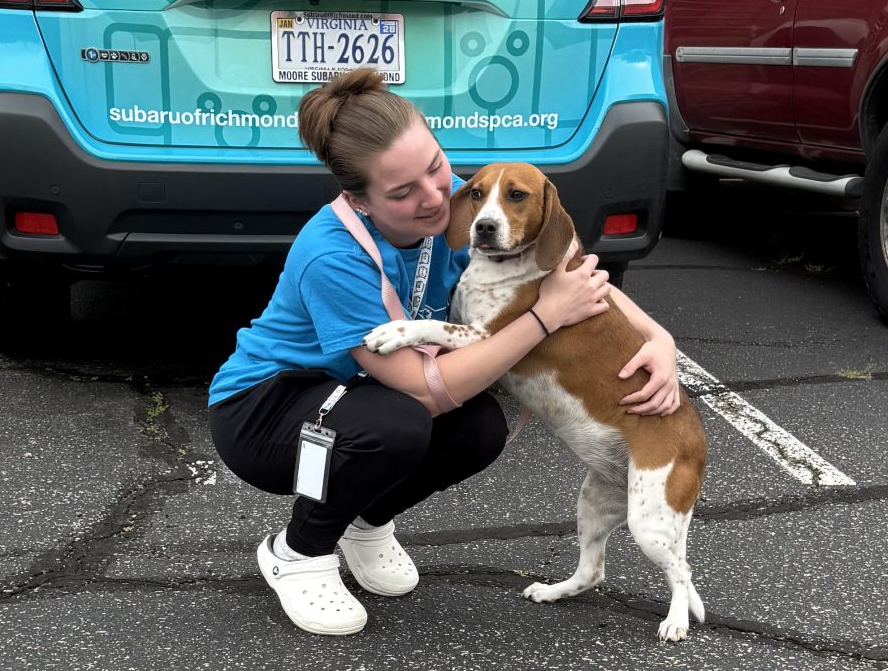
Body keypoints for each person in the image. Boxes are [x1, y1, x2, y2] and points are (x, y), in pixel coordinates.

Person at [207, 67, 683, 636]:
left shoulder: (463, 200)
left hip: (353, 396)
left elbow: (568, 271)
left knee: (480, 427)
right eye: (404, 192)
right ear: (358, 198)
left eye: (436, 166)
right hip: (265, 409)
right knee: (400, 423)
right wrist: (542, 317)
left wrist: (661, 339)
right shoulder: (330, 255)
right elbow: (420, 386)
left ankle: (367, 520)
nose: (436, 196)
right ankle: (299, 551)